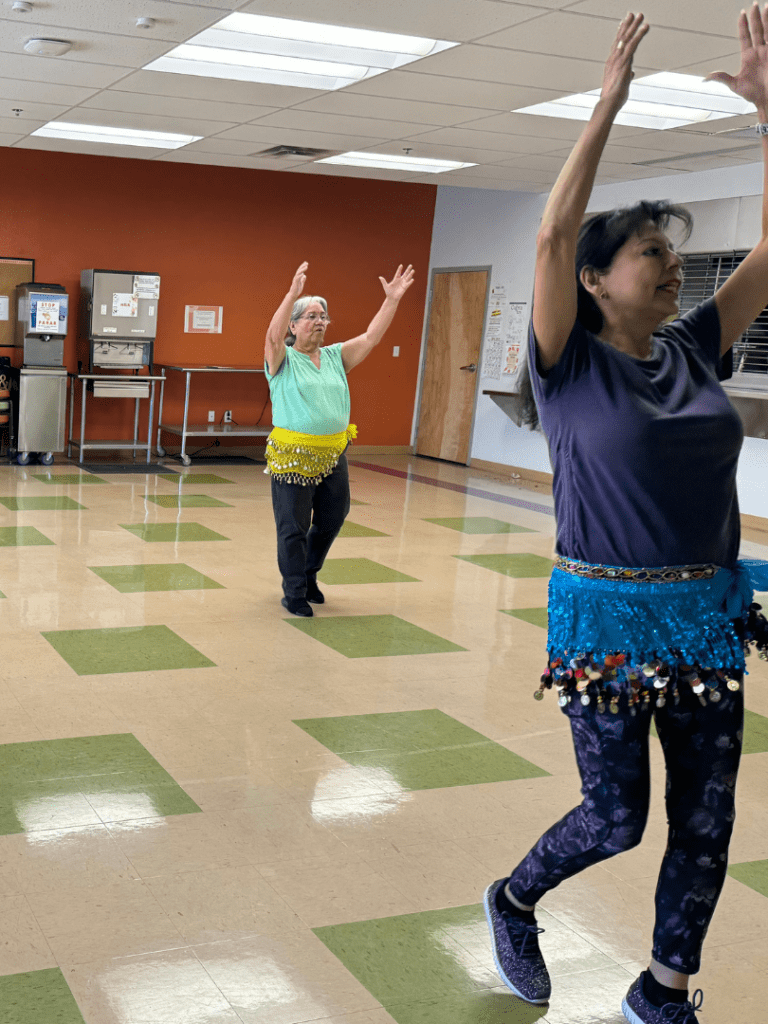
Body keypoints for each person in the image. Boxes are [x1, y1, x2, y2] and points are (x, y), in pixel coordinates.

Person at [484, 10, 768, 1024]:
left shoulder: (693, 347)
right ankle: (513, 897)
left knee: (706, 817)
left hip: (704, 615)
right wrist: (609, 104)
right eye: (650, 250)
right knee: (616, 817)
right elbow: (553, 230)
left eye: (670, 251)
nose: (668, 263)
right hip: (604, 619)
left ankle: (663, 990)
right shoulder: (566, 364)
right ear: (597, 281)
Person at [264, 261, 415, 616]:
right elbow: (271, 336)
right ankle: (295, 591)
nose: (319, 321)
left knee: (333, 517)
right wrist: (291, 295)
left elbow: (372, 336)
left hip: (333, 454)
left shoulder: (335, 356)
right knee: (293, 526)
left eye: (324, 316)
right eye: (311, 315)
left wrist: (391, 300)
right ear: (294, 325)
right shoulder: (282, 359)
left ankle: (309, 572)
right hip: (293, 455)